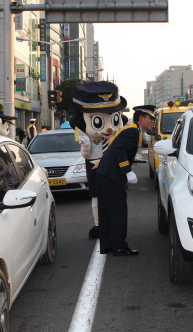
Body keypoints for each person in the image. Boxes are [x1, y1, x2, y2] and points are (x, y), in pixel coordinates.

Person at [68, 81, 128, 239]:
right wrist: (85, 146)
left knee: (115, 196)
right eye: (98, 121)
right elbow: (85, 154)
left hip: (114, 168)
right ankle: (99, 224)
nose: (109, 128)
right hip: (96, 166)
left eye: (115, 120)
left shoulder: (118, 136)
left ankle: (114, 224)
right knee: (96, 196)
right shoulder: (86, 137)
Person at [96, 105, 155, 256]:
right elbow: (120, 150)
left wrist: (132, 161)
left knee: (107, 212)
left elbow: (120, 150)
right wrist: (127, 171)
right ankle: (119, 246)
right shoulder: (132, 132)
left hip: (106, 174)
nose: (153, 122)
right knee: (118, 211)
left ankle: (107, 245)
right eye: (151, 118)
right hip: (112, 176)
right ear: (141, 119)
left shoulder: (131, 129)